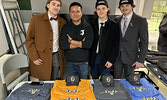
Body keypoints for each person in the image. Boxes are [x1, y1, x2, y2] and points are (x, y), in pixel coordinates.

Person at [25, 0, 66, 80]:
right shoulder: (35, 20)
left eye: (58, 5)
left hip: (56, 56)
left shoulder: (63, 22)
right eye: (53, 4)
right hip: (41, 57)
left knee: (54, 80)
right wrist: (34, 57)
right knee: (43, 81)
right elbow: (29, 40)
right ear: (48, 5)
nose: (56, 7)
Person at [114, 0, 148, 79]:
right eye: (122, 6)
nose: (124, 8)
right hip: (117, 57)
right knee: (116, 80)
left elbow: (144, 42)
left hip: (131, 58)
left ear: (132, 6)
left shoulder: (141, 21)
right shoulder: (117, 20)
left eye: (127, 5)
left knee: (129, 81)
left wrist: (141, 60)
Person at [60, 2, 94, 79]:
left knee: (84, 84)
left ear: (81, 13)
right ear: (69, 13)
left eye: (78, 11)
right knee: (72, 84)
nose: (75, 14)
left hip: (83, 62)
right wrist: (81, 43)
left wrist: (71, 41)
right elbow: (64, 45)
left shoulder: (88, 27)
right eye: (72, 11)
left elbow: (88, 45)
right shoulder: (65, 27)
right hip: (70, 62)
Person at [89, 0, 120, 79]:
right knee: (94, 80)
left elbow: (115, 45)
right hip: (94, 57)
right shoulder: (91, 24)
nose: (101, 11)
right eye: (98, 9)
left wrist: (111, 60)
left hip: (106, 59)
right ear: (96, 11)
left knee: (105, 81)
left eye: (103, 8)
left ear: (107, 9)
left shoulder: (114, 25)